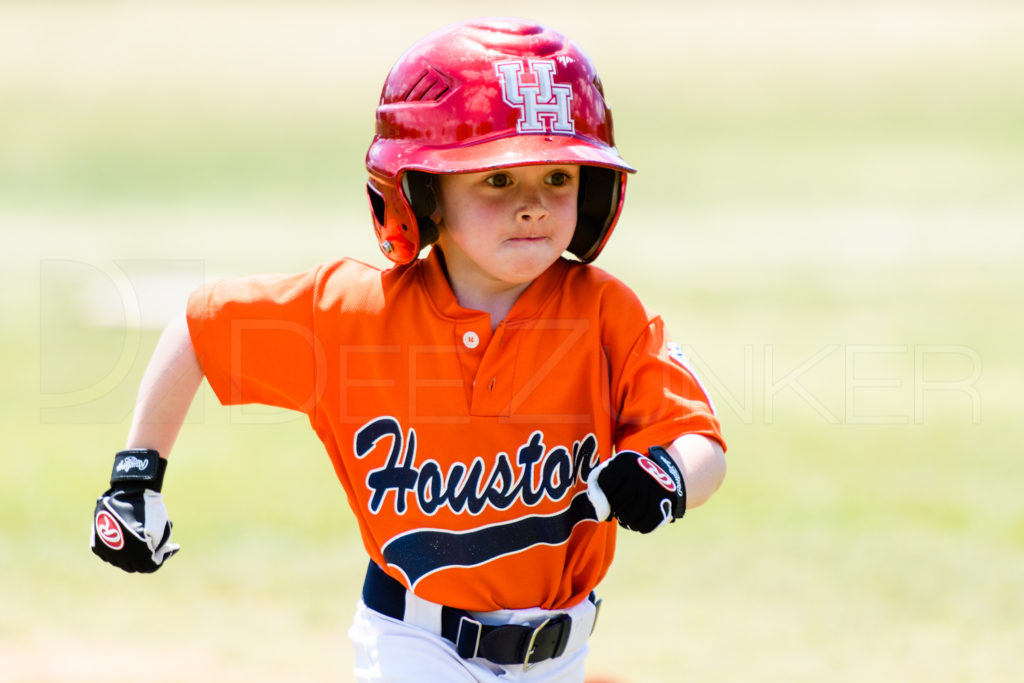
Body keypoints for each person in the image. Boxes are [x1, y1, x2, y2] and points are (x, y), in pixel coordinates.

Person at [90, 17, 727, 682]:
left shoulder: (605, 312)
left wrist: (668, 475)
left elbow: (701, 444)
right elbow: (197, 328)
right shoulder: (353, 311)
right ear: (423, 192)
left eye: (559, 177)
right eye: (498, 180)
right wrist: (136, 477)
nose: (534, 205)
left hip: (562, 652)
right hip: (412, 641)